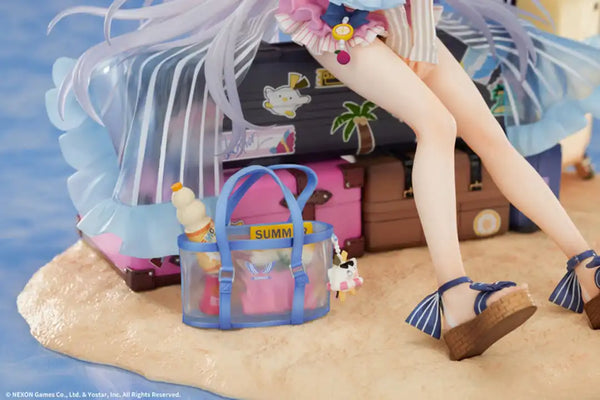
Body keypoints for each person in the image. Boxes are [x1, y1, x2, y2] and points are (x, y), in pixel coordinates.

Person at [48, 0, 600, 360]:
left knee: (490, 136)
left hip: (411, 25)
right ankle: (455, 298)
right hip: (344, 26)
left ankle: (584, 266)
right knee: (437, 126)